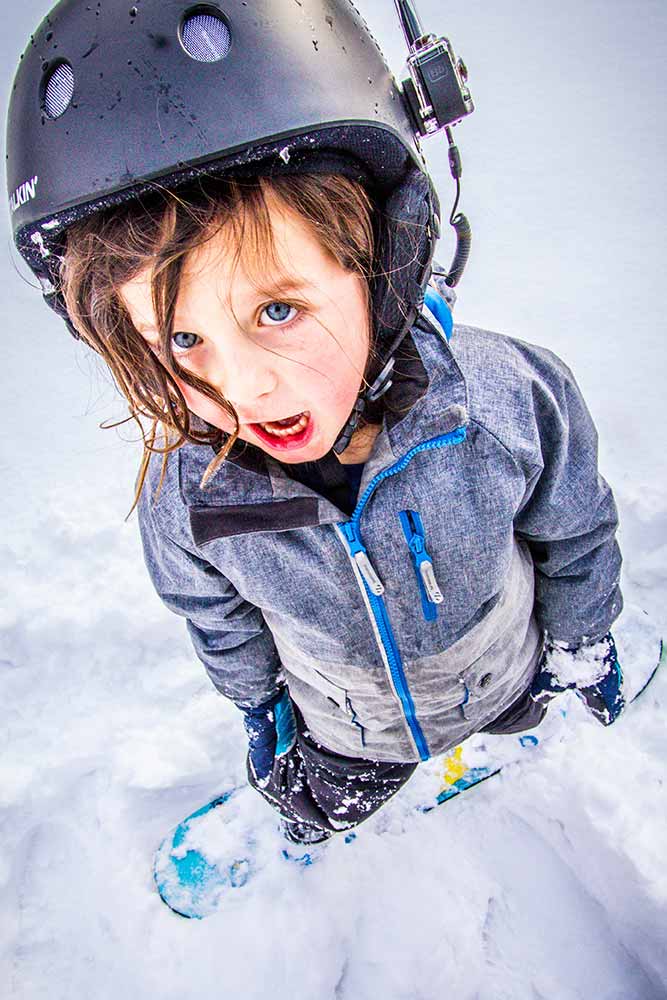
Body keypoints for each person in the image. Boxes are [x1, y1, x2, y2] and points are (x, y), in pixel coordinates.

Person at [6, 0, 624, 849]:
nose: (244, 389)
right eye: (183, 339)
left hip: (505, 674)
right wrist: (260, 707)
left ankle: (499, 728)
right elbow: (216, 616)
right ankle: (327, 820)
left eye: (278, 310)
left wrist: (581, 643)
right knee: (326, 802)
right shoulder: (190, 499)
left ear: (380, 260)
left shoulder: (506, 402)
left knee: (514, 713)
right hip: (349, 733)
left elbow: (576, 533)